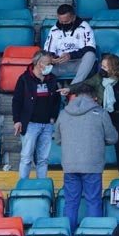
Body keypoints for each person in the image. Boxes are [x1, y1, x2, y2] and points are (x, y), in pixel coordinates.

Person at [56, 84, 118, 232]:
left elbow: (58, 139)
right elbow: (113, 138)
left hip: (70, 164)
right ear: (93, 97)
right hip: (92, 164)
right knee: (93, 201)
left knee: (70, 203)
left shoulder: (64, 113)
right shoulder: (100, 113)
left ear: (75, 96)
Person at [12, 50, 69, 180]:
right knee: (26, 157)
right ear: (39, 63)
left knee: (43, 159)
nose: (50, 67)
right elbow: (17, 101)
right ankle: (23, 186)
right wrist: (17, 120)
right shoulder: (24, 79)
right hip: (30, 124)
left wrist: (53, 117)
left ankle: (41, 185)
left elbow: (56, 101)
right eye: (48, 64)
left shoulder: (52, 79)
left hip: (47, 125)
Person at [42, 4, 98, 87]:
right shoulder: (54, 30)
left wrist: (70, 55)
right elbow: (48, 51)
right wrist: (52, 59)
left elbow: (90, 48)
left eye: (66, 22)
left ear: (73, 18)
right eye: (61, 22)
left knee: (91, 55)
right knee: (40, 61)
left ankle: (73, 87)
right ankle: (54, 92)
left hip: (79, 64)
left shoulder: (84, 27)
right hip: (60, 65)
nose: (63, 24)